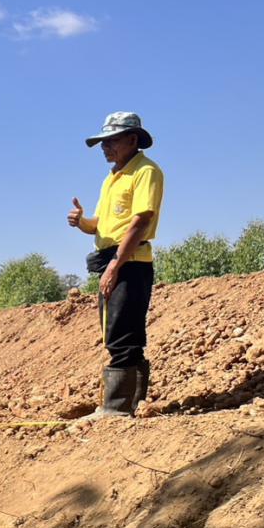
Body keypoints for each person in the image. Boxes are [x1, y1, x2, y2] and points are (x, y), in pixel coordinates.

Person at [67, 112, 165, 418]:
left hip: (128, 261)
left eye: (111, 141)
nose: (105, 147)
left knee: (121, 334)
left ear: (132, 140)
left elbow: (141, 221)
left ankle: (115, 408)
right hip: (116, 260)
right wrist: (81, 221)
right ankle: (132, 404)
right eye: (102, 143)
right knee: (121, 332)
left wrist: (115, 265)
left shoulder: (145, 171)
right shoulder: (112, 177)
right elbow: (99, 225)